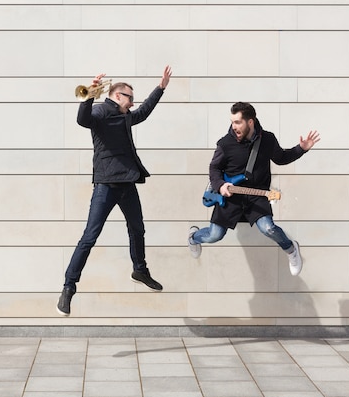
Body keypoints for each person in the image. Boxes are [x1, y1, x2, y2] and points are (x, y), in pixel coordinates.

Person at [57, 65, 173, 316]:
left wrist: (160, 88)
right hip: (106, 185)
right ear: (117, 96)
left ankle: (139, 270)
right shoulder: (100, 111)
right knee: (90, 236)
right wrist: (89, 95)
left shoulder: (126, 115)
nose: (132, 103)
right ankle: (68, 287)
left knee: (138, 228)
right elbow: (82, 120)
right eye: (129, 97)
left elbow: (143, 112)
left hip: (127, 183)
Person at [188, 102, 320, 275]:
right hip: (231, 196)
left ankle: (291, 249)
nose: (234, 126)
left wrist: (301, 149)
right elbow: (214, 168)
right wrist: (220, 186)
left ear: (250, 122)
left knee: (268, 228)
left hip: (256, 195)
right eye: (232, 122)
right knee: (214, 235)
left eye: (238, 122)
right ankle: (193, 237)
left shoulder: (268, 139)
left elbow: (281, 158)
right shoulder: (225, 143)